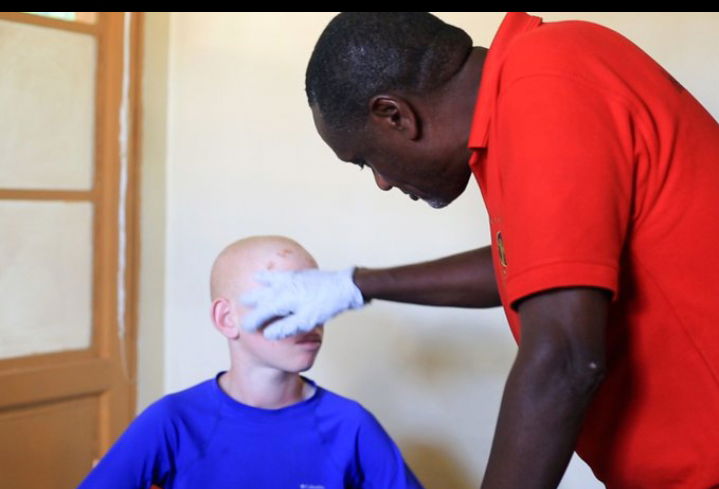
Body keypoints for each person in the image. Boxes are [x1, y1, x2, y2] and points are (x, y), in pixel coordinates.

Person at [241, 12, 719, 489]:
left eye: (366, 160)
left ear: (395, 115)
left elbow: (564, 357)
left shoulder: (542, 84)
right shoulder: (534, 85)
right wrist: (356, 283)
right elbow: (537, 266)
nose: (383, 182)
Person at [77, 236, 425, 489]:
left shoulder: (351, 426)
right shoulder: (173, 421)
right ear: (227, 318)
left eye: (316, 300)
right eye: (286, 303)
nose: (310, 319)